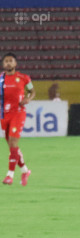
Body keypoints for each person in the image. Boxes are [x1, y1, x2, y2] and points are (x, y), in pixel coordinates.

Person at [1, 52, 34, 186]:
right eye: (6, 61)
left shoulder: (23, 78)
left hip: (18, 113)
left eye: (11, 61)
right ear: (3, 64)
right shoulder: (0, 79)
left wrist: (28, 98)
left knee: (14, 142)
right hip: (4, 114)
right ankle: (25, 171)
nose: (8, 63)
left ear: (15, 63)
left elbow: (32, 91)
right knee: (12, 147)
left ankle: (10, 175)